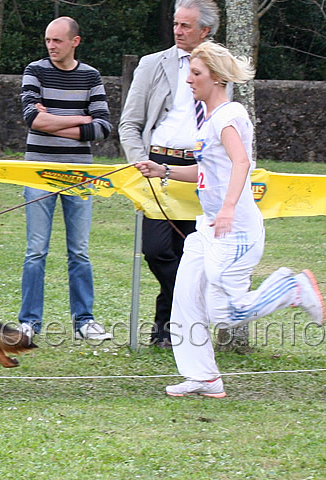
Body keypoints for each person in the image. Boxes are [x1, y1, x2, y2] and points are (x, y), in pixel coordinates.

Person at [135, 41, 324, 398]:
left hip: (234, 230)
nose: (189, 80)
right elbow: (207, 172)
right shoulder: (209, 119)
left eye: (196, 74)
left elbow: (241, 163)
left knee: (226, 312)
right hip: (209, 229)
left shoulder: (227, 116)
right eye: (189, 72)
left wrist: (227, 208)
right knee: (186, 299)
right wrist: (163, 170)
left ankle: (293, 287)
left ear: (217, 78)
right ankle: (203, 377)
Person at [118, 0, 221, 348]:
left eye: (186, 26)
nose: (177, 31)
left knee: (191, 251)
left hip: (199, 168)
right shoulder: (152, 64)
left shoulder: (220, 68)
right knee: (157, 249)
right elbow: (129, 123)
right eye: (176, 24)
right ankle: (194, 309)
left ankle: (166, 332)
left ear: (205, 31)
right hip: (155, 166)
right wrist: (138, 162)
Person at [18, 16, 112, 342]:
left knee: (80, 251)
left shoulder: (90, 76)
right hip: (38, 171)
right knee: (36, 251)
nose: (51, 46)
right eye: (48, 40)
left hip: (79, 173)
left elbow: (102, 127)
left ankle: (84, 321)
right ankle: (29, 322)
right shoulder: (35, 70)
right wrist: (80, 118)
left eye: (57, 40)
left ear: (75, 41)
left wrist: (52, 119)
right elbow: (32, 119)